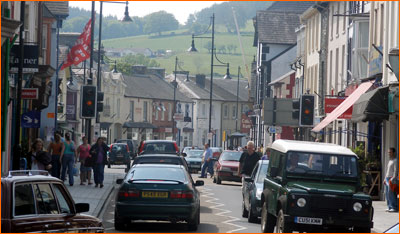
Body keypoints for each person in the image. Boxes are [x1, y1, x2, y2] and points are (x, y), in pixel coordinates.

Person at [384, 148, 398, 212]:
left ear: (394, 153)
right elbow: (387, 170)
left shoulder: (395, 160)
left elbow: (396, 170)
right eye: (388, 152)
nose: (389, 153)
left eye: (390, 152)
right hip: (387, 178)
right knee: (387, 193)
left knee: (391, 193)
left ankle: (393, 207)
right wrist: (385, 178)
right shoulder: (390, 161)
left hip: (391, 178)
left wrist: (393, 178)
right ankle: (389, 206)